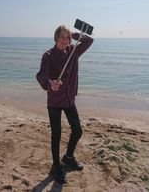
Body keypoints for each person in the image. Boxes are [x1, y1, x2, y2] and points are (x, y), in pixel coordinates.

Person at [36, 24, 93, 184]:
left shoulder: (73, 51)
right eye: (62, 37)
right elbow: (41, 75)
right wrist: (49, 84)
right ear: (56, 38)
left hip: (69, 99)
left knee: (77, 130)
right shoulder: (48, 55)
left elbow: (89, 40)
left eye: (67, 37)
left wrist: (75, 34)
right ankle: (56, 166)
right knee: (57, 134)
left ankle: (68, 157)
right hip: (54, 101)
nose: (65, 40)